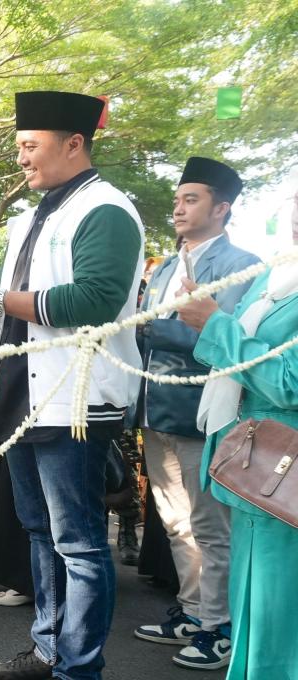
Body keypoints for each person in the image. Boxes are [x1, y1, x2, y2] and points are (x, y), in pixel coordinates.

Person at [0, 91, 145, 680]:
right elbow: (17, 310)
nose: (20, 157)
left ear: (74, 144)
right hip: (22, 393)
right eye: (18, 146)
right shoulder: (29, 217)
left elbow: (96, 300)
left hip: (75, 398)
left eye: (29, 146)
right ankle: (49, 650)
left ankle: (79, 666)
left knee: (78, 541)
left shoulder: (106, 209)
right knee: (39, 532)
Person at [132, 157, 259, 670]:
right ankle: (193, 611)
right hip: (154, 408)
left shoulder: (239, 265)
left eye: (192, 199)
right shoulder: (164, 265)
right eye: (178, 199)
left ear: (222, 208)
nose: (179, 208)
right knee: (175, 522)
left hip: (201, 413)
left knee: (210, 525)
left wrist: (147, 326)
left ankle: (220, 625)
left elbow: (210, 335)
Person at [175, 184, 298, 680]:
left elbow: (288, 381)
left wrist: (214, 325)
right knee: (256, 610)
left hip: (285, 477)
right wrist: (208, 321)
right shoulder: (277, 275)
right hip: (256, 472)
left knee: (278, 617)